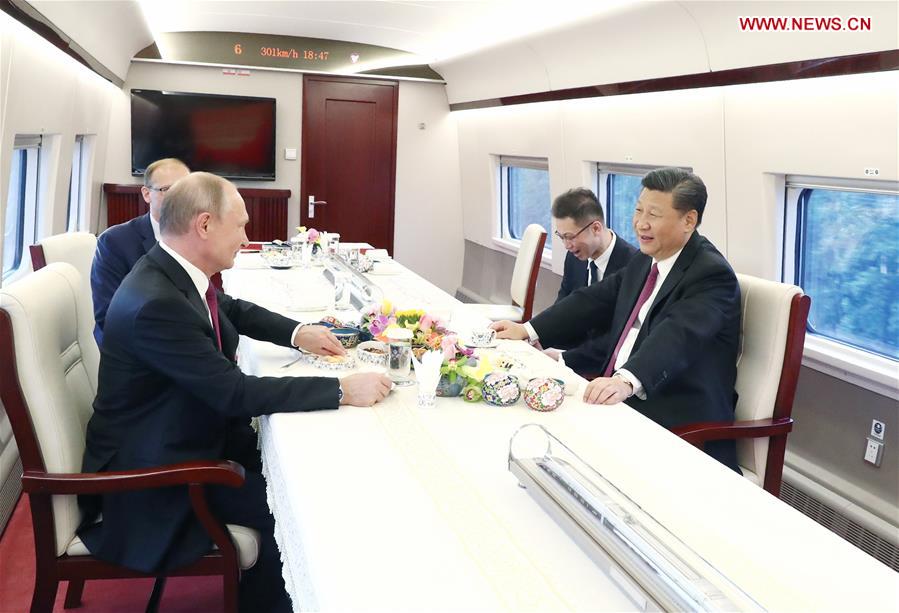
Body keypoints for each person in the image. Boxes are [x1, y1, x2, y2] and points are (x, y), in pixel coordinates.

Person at [78, 172, 392, 613]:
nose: (246, 239)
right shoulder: (156, 304)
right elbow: (234, 393)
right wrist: (341, 389)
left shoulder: (170, 271)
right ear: (204, 225)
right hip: (157, 478)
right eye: (241, 226)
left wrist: (299, 333)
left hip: (179, 438)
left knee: (310, 464)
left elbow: (232, 310)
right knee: (304, 507)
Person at [493, 168, 742, 472]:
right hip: (622, 396)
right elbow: (594, 299)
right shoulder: (646, 259)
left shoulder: (710, 274)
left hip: (675, 414)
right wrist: (528, 330)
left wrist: (626, 380)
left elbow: (678, 336)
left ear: (689, 220)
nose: (641, 223)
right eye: (638, 210)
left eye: (654, 214)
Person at [90, 158, 190, 346]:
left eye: (185, 191)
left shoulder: (196, 236)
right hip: (136, 348)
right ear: (146, 194)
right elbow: (109, 315)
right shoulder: (115, 242)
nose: (179, 199)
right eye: (167, 190)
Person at [548, 188, 638, 374]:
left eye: (570, 237)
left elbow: (619, 337)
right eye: (561, 237)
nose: (566, 245)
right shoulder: (575, 257)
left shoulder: (633, 265)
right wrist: (539, 337)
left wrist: (564, 358)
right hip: (571, 350)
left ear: (596, 228)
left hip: (607, 364)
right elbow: (563, 305)